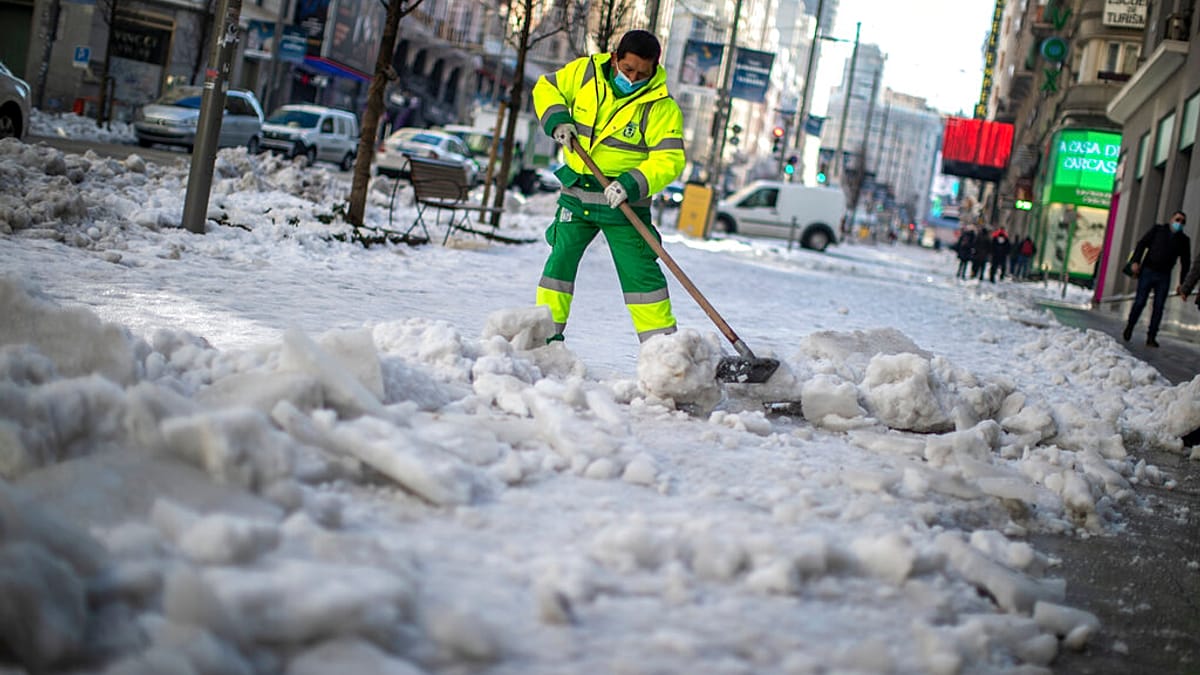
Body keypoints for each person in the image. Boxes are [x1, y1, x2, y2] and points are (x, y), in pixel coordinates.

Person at [531, 30, 686, 344]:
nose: (633, 78)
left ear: (655, 68)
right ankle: (544, 340)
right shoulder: (584, 72)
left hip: (624, 204)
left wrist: (631, 183)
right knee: (559, 264)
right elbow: (546, 87)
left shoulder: (661, 106)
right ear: (615, 58)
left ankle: (662, 351)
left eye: (642, 73)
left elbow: (669, 158)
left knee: (640, 275)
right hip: (577, 194)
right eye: (628, 69)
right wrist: (558, 120)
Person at [1124, 211, 1191, 347]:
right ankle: (1130, 326)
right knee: (1140, 302)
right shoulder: (1158, 230)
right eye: (1177, 219)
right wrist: (1135, 261)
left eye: (1182, 222)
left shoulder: (1184, 240)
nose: (1179, 223)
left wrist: (1182, 283)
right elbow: (1142, 244)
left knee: (1159, 306)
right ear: (1171, 219)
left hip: (1164, 276)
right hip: (1148, 271)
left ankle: (1151, 336)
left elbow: (1185, 262)